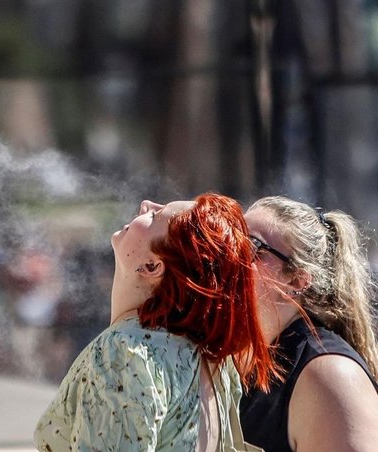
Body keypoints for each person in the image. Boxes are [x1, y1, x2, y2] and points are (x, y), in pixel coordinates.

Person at [35, 193, 276, 451]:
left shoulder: (124, 352)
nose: (146, 204)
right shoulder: (211, 360)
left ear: (151, 267)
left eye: (155, 216)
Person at [240, 196, 378, 451]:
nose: (228, 258)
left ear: (297, 281)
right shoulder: (240, 359)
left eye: (249, 247)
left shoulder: (330, 375)